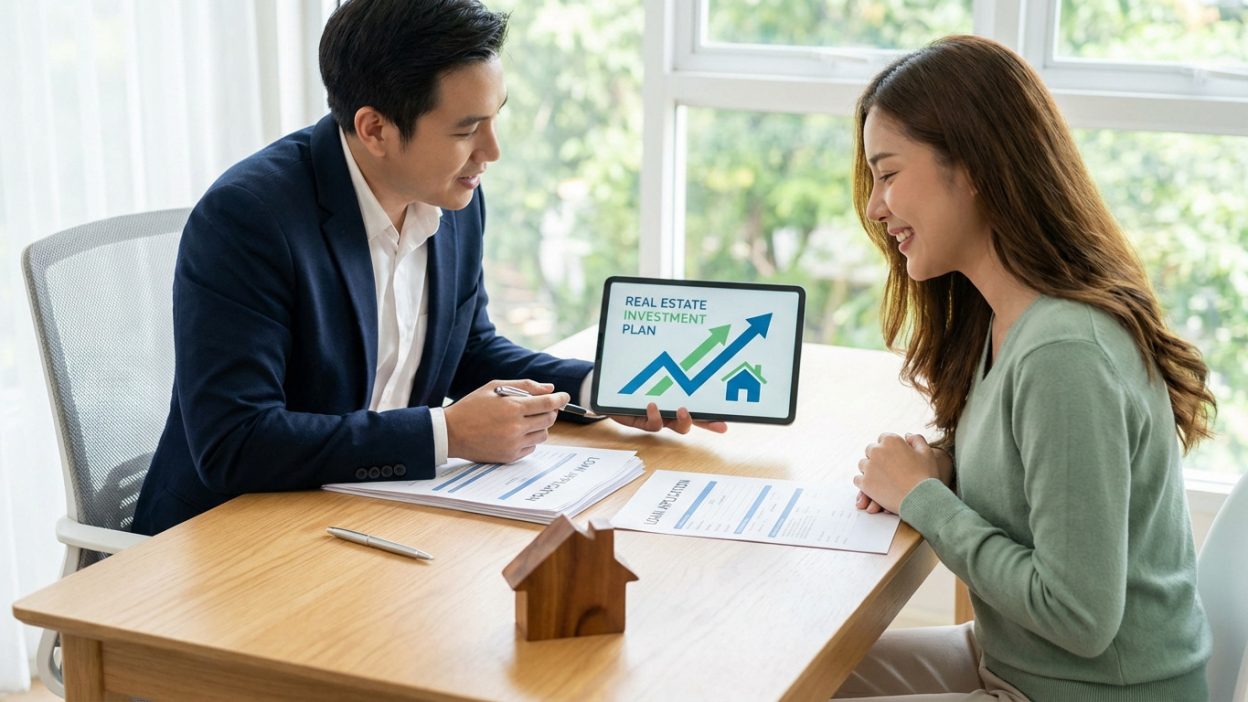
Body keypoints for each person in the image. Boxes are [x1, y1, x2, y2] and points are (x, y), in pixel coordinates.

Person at [132, 0, 723, 536]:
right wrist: (448, 434)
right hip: (227, 538)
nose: (492, 152)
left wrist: (603, 386)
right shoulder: (250, 218)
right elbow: (236, 442)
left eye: (494, 119)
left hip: (369, 513)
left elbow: (469, 353)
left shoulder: (453, 199)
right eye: (467, 129)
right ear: (375, 128)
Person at [841, 35, 1215, 701]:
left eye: (889, 173)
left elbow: (1078, 617)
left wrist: (923, 498)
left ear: (977, 165)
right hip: (1020, 663)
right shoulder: (1004, 321)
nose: (875, 206)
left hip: (1084, 689)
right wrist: (941, 464)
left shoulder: (1064, 351)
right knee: (785, 680)